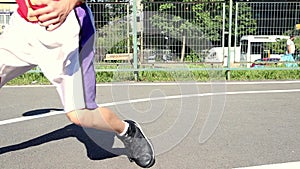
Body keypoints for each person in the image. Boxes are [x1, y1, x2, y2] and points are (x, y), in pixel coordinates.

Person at [0, 0, 155, 168]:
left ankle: (127, 131)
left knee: (80, 114)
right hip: (22, 27)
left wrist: (68, 3)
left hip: (66, 29)